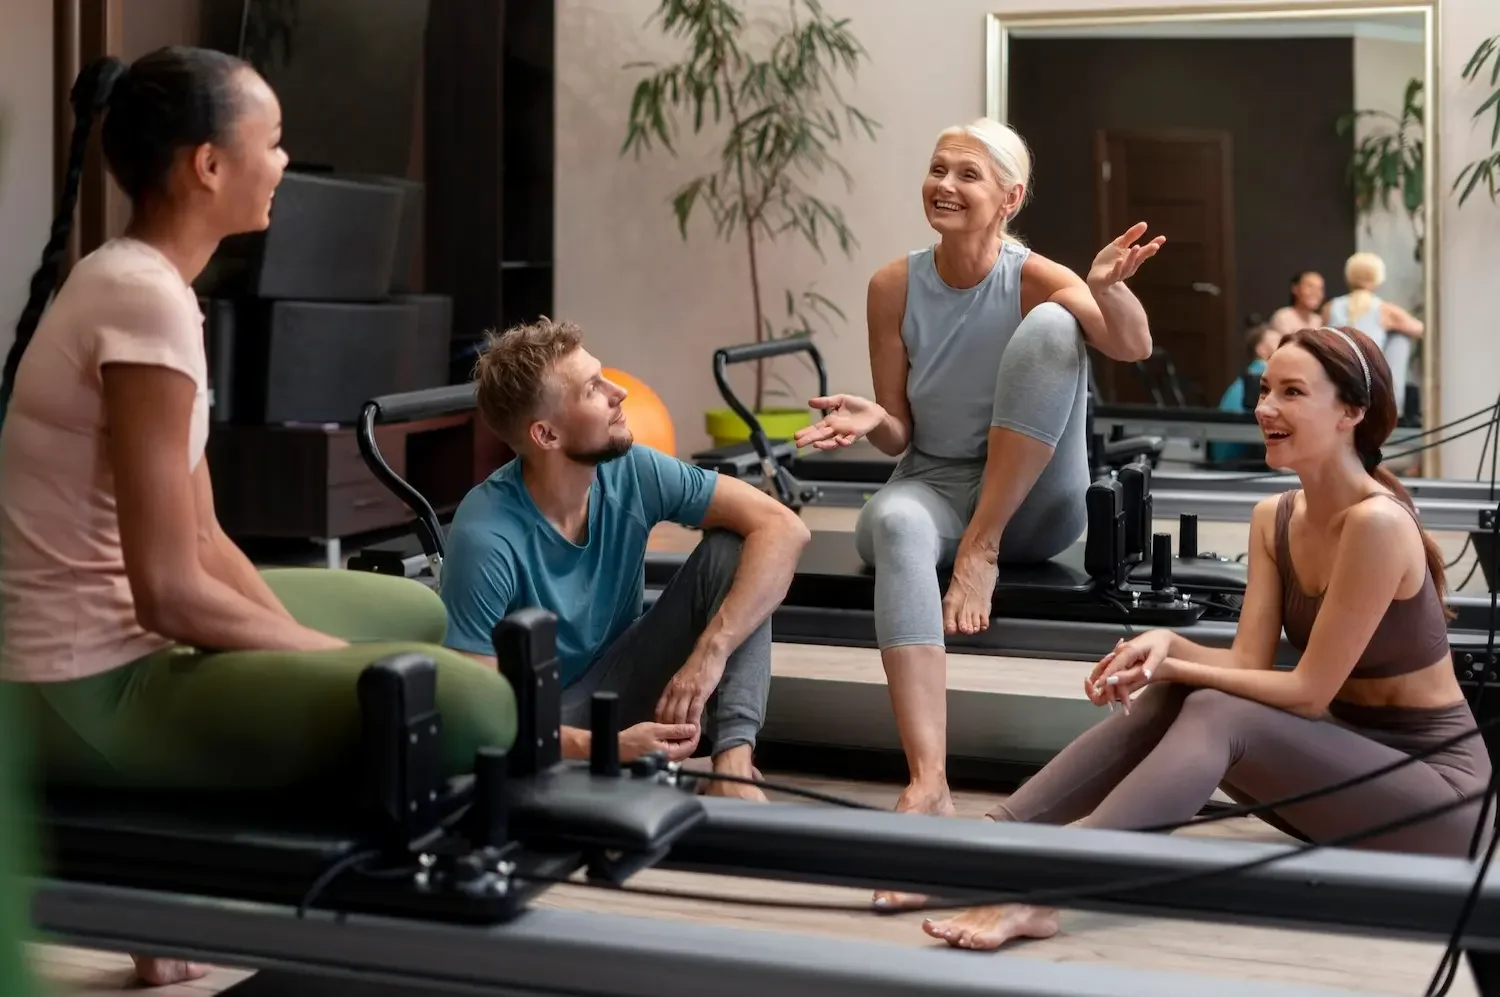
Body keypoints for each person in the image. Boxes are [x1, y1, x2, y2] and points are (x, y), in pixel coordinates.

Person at [0, 48, 518, 988]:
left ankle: (159, 881)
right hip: (77, 686)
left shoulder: (150, 285)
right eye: (271, 143)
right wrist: (323, 661)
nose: (284, 164)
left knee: (414, 618)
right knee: (470, 699)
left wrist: (301, 642)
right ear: (208, 164)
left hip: (121, 647)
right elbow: (166, 592)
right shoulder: (141, 300)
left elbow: (203, 541)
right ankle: (167, 869)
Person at [921, 325, 1489, 951]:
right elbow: (1248, 663)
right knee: (1183, 696)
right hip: (1345, 771)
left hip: (1442, 805)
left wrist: (1181, 669)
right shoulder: (1274, 517)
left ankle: (1047, 889)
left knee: (1212, 706)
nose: (1265, 407)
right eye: (1265, 388)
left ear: (1351, 412)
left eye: (1293, 392)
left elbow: (1304, 693)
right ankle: (981, 847)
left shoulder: (1377, 524)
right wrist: (1168, 644)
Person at [790, 118, 1162, 901]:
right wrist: (871, 419)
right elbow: (899, 429)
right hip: (935, 481)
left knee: (1059, 323)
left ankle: (981, 550)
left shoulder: (1032, 275)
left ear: (1009, 198)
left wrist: (1105, 289)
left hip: (1033, 504)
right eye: (936, 169)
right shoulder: (892, 285)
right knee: (893, 521)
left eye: (967, 174)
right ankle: (928, 779)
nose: (945, 185)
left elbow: (1131, 348)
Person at [438, 320, 809, 801]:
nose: (619, 393)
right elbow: (478, 714)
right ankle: (609, 772)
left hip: (623, 677)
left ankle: (732, 765)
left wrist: (709, 654)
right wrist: (607, 748)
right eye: (594, 388)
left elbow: (783, 528)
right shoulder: (486, 534)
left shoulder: (630, 469)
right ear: (546, 434)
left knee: (736, 549)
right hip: (538, 720)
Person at [1322, 252, 1423, 414]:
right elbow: (1422, 330)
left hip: (1335, 379)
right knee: (1400, 338)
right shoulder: (1384, 309)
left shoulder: (1330, 307)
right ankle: (1394, 407)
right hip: (1368, 383)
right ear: (1378, 277)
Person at [1208, 322, 1283, 463]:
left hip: (1223, 458)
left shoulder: (1246, 379)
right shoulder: (1263, 380)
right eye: (1279, 344)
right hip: (1238, 462)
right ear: (1261, 350)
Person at [1267, 270, 1325, 338]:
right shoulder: (1283, 317)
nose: (1315, 292)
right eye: (1310, 286)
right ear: (1295, 289)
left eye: (1320, 288)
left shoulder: (1319, 321)